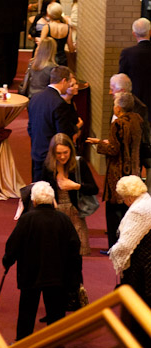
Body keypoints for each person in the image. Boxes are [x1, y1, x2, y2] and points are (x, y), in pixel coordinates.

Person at [3, 180, 82, 341]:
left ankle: (23, 342)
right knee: (56, 313)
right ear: (53, 200)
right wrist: (74, 276)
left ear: (34, 200)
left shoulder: (26, 220)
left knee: (27, 311)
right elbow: (75, 247)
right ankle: (55, 343)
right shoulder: (63, 220)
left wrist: (7, 261)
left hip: (30, 275)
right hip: (57, 276)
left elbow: (13, 245)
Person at [87, 91, 143, 250]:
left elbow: (113, 149)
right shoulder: (137, 120)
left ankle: (114, 247)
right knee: (128, 208)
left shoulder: (118, 124)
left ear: (118, 108)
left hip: (118, 173)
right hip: (133, 170)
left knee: (113, 211)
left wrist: (99, 144)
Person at [41, 133, 98, 255]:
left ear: (71, 150)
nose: (62, 157)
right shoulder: (48, 166)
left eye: (65, 152)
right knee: (56, 253)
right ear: (52, 153)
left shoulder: (79, 163)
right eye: (58, 153)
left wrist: (76, 186)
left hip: (75, 213)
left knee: (77, 252)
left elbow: (94, 189)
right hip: (55, 214)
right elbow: (41, 188)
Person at [27, 66, 78, 181]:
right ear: (64, 81)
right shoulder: (60, 104)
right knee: (49, 192)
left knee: (37, 188)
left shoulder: (35, 98)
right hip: (52, 157)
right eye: (69, 82)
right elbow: (63, 135)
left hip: (36, 150)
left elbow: (30, 127)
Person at [109, 176, 151, 308]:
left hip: (141, 264)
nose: (124, 202)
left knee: (137, 302)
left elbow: (126, 244)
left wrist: (114, 252)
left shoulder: (138, 211)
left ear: (129, 197)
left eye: (123, 198)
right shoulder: (147, 201)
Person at [118, 17, 151, 115]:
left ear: (134, 34)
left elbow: (122, 79)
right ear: (150, 32)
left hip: (135, 103)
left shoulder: (127, 54)